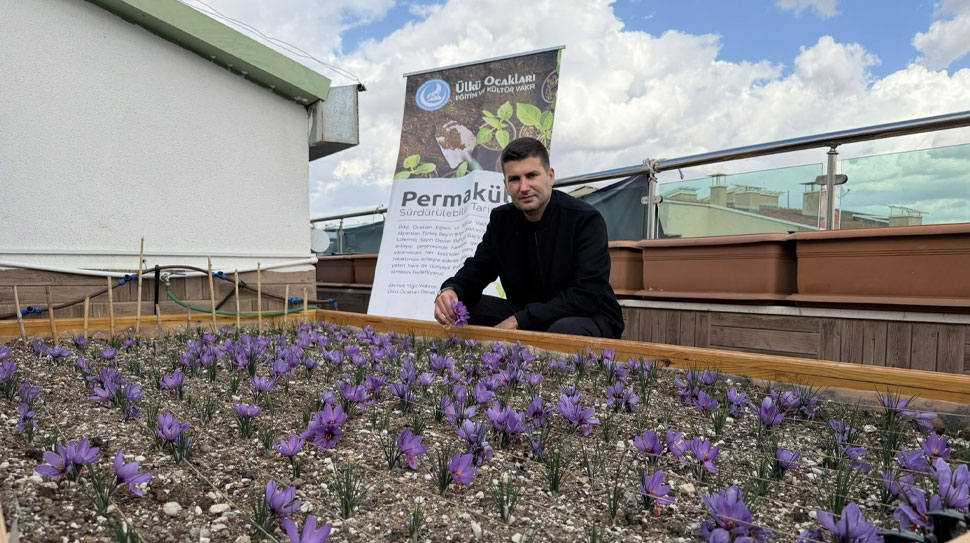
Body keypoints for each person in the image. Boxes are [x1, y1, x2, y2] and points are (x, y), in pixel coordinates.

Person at [433, 137, 624, 338]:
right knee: (460, 308)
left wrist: (519, 321)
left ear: (550, 176)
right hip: (526, 313)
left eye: (531, 175)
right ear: (505, 184)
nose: (524, 187)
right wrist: (451, 289)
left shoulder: (584, 219)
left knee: (562, 331)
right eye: (514, 179)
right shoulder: (501, 221)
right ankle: (471, 365)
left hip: (589, 316)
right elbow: (478, 268)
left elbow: (585, 295)